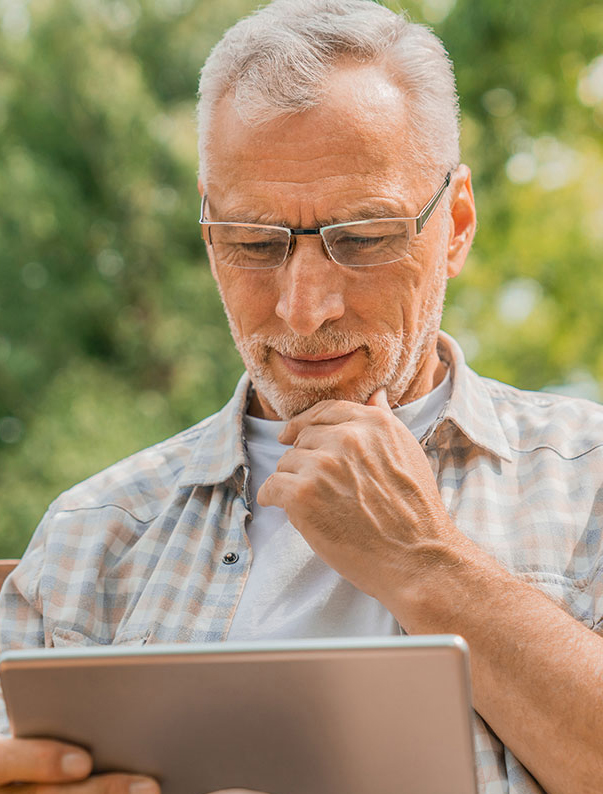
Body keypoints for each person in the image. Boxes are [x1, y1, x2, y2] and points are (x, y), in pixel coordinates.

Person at [0, 0, 602, 792]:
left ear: (454, 225)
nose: (303, 309)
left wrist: (422, 561)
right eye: (254, 244)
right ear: (208, 227)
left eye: (363, 239)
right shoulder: (93, 535)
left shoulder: (587, 482)